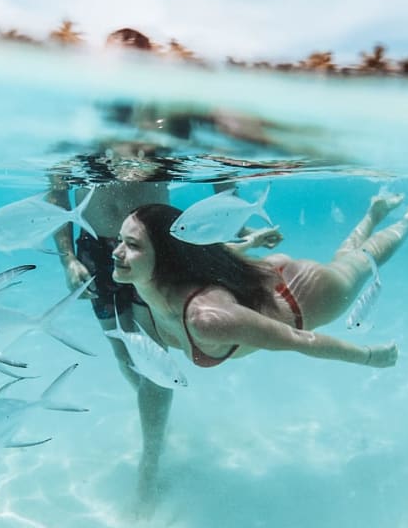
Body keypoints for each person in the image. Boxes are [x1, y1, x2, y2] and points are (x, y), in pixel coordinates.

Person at [47, 141, 282, 516]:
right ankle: (155, 423)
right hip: (95, 249)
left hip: (154, 250)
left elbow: (219, 173)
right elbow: (57, 193)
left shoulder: (156, 142)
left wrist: (237, 223)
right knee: (124, 357)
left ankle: (150, 464)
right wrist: (68, 259)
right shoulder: (80, 145)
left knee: (154, 364)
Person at [112, 193, 408, 371]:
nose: (116, 252)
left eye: (133, 244)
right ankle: (374, 212)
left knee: (363, 261)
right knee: (345, 261)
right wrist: (250, 243)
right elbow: (200, 254)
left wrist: (369, 356)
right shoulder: (154, 283)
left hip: (306, 295)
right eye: (120, 240)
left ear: (165, 258)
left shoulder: (206, 320)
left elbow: (298, 339)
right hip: (266, 277)